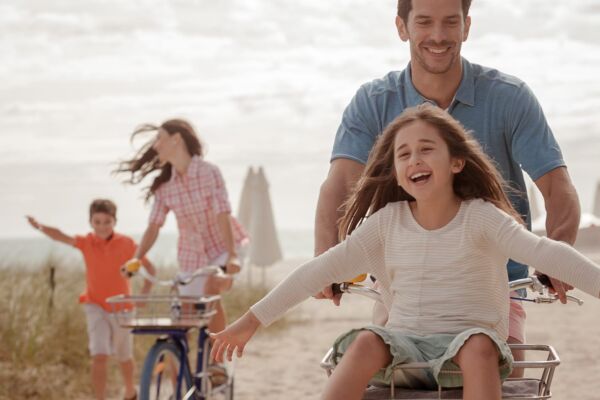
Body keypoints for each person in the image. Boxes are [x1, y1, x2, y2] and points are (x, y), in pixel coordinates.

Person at [209, 105, 600, 400]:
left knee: (480, 346)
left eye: (427, 149)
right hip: (405, 351)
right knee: (365, 341)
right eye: (403, 154)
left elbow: (549, 254)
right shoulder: (386, 223)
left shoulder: (483, 218)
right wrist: (251, 320)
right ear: (396, 171)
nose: (414, 159)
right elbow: (319, 270)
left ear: (457, 162)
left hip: (468, 351)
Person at [314, 0, 581, 368]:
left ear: (466, 27)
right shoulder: (373, 102)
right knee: (381, 378)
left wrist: (558, 253)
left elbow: (557, 185)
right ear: (402, 27)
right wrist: (325, 256)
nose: (438, 36)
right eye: (424, 22)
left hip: (492, 288)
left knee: (499, 377)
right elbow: (340, 185)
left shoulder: (510, 97)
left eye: (450, 22)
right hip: (401, 288)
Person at [116, 118, 248, 335]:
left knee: (212, 287)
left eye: (160, 138)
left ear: (176, 139)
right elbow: (154, 226)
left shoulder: (208, 172)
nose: (156, 145)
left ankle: (218, 358)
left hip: (224, 247)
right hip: (191, 256)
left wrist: (232, 255)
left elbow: (222, 213)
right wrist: (136, 258)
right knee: (183, 316)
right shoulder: (165, 187)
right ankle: (175, 364)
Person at [27, 199, 156, 400]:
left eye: (107, 221)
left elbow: (151, 268)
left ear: (115, 221)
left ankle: (130, 391)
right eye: (97, 222)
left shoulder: (127, 243)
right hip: (95, 305)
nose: (102, 226)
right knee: (99, 355)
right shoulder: (86, 242)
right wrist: (40, 227)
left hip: (123, 308)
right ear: (90, 222)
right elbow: (60, 236)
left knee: (124, 356)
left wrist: (144, 295)